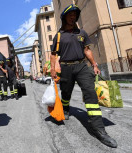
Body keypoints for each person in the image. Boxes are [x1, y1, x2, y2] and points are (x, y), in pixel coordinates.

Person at [50, 4, 117, 148]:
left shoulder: (82, 33)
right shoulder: (59, 36)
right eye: (70, 15)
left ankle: (98, 128)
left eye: (75, 15)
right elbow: (53, 54)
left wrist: (94, 64)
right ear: (64, 17)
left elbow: (87, 50)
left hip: (81, 66)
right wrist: (53, 70)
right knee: (66, 93)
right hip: (66, 67)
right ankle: (66, 109)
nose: (73, 17)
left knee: (90, 92)